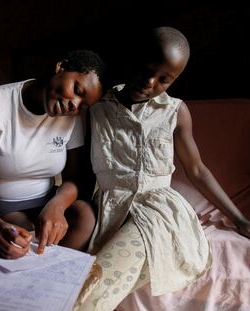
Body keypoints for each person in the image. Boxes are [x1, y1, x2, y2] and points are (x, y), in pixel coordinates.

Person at [77, 27, 250, 310]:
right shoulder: (97, 108)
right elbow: (84, 172)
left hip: (158, 214)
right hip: (110, 209)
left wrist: (239, 219)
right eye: (147, 69)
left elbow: (197, 170)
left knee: (93, 287)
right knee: (81, 280)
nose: (149, 82)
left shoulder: (175, 112)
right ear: (134, 59)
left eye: (163, 80)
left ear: (175, 80)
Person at [0, 50, 107, 259]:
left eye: (83, 106)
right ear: (60, 67)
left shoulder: (72, 118)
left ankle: (53, 275)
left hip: (44, 200)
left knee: (85, 216)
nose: (75, 106)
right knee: (25, 232)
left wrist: (57, 205)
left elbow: (74, 178)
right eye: (77, 89)